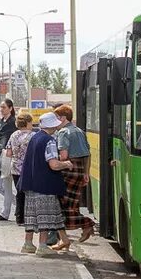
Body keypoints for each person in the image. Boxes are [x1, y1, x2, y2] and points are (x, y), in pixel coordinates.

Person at [17, 112, 73, 256]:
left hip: (30, 184)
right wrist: (66, 164)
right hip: (44, 184)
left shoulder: (34, 137)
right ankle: (42, 245)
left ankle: (28, 244)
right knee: (45, 216)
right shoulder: (49, 141)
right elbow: (53, 165)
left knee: (32, 215)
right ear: (52, 126)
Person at [54, 104, 95, 244]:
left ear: (63, 118)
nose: (55, 121)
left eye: (56, 118)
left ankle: (87, 224)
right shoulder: (79, 131)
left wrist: (51, 160)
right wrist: (86, 173)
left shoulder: (63, 133)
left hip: (68, 169)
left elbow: (64, 155)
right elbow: (88, 154)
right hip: (79, 169)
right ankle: (64, 238)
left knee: (63, 205)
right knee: (72, 204)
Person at [4, 111, 35, 225]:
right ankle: (29, 216)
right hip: (28, 168)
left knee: (19, 192)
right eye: (31, 122)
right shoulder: (33, 136)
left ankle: (19, 217)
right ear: (27, 123)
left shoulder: (14, 135)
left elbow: (8, 153)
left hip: (15, 168)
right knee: (29, 193)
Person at [0, 98, 17, 221]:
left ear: (10, 108)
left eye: (4, 107)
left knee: (4, 185)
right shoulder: (2, 121)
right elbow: (1, 138)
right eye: (0, 107)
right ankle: (19, 205)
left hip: (8, 156)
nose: (1, 109)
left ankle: (6, 212)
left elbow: (11, 140)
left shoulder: (13, 122)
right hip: (1, 155)